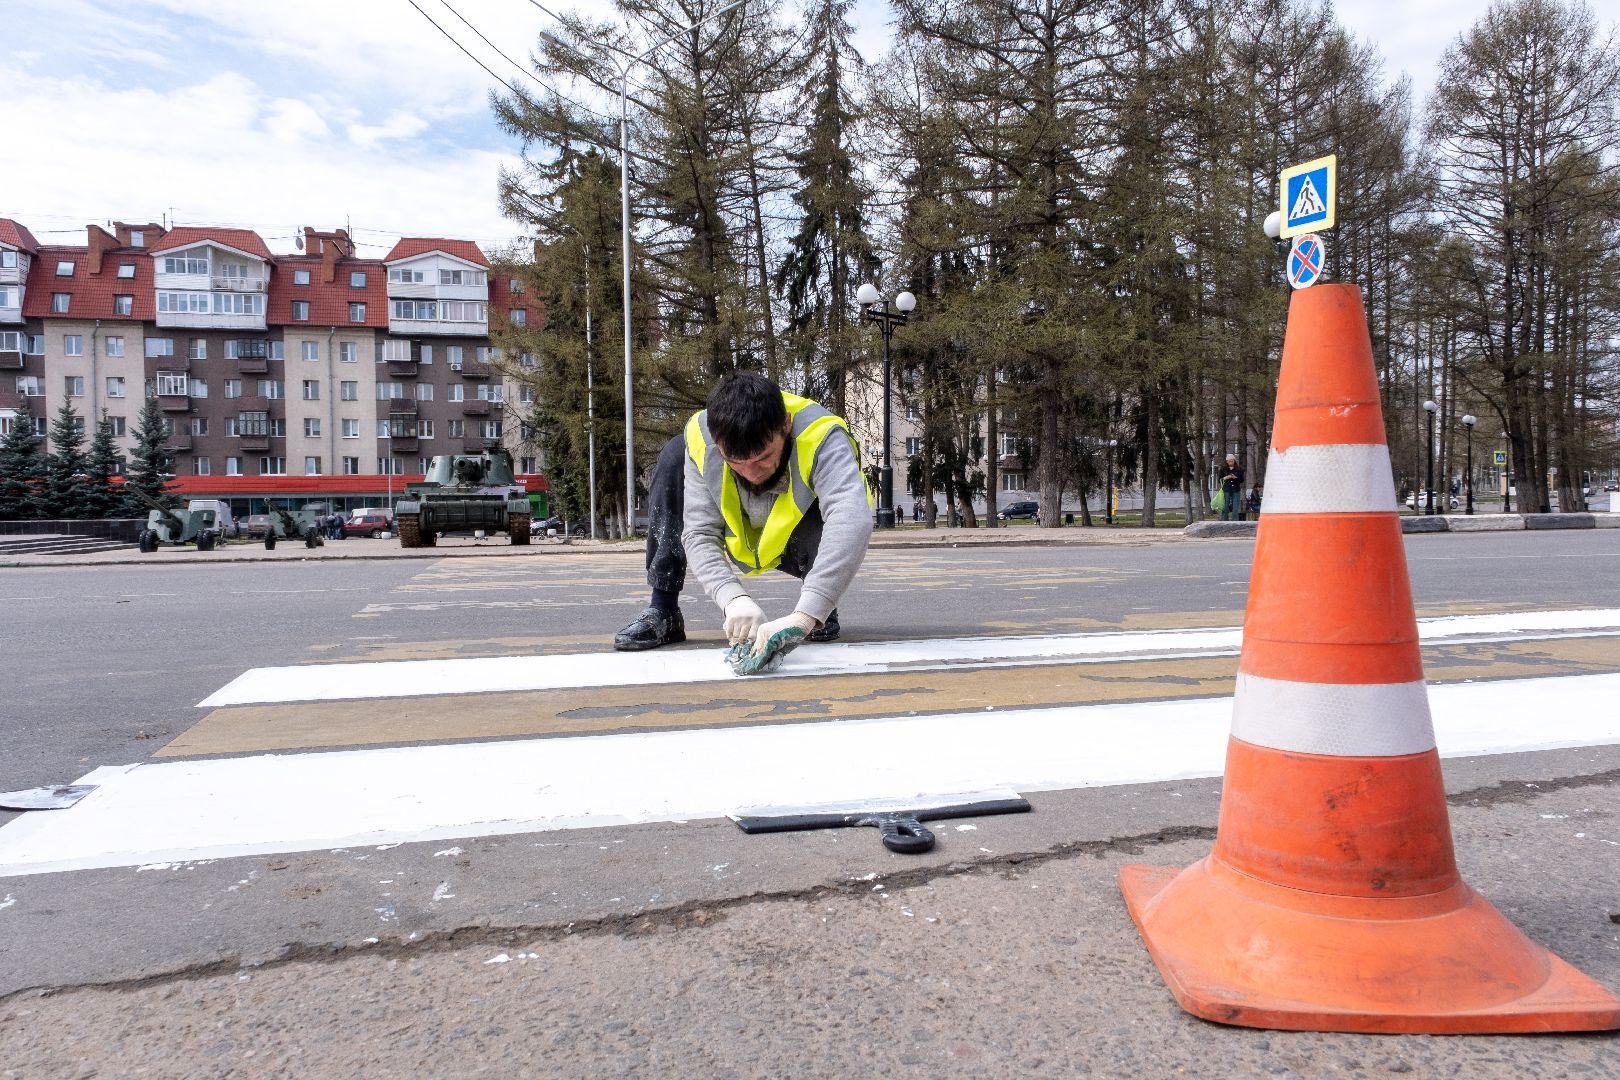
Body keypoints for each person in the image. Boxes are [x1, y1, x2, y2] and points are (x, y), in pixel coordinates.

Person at [614, 371, 875, 653]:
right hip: (742, 534)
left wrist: (806, 614)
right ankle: (663, 608)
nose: (751, 474)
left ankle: (819, 608)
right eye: (737, 462)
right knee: (674, 454)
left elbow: (850, 518)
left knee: (820, 582)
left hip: (798, 543)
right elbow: (700, 531)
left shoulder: (822, 435)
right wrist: (732, 598)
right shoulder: (702, 439)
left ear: (785, 425)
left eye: (763, 458)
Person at [1218, 454, 1244, 521]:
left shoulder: (1239, 469)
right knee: (1225, 505)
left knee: (1235, 505)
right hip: (1226, 489)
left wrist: (1235, 477)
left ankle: (1235, 520)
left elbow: (1242, 479)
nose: (1231, 462)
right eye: (1229, 461)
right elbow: (1219, 479)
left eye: (1232, 461)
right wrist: (1226, 477)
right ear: (1227, 461)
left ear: (1234, 461)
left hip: (1236, 489)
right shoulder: (1223, 469)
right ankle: (1224, 520)